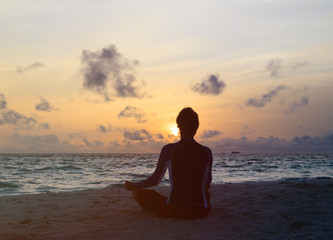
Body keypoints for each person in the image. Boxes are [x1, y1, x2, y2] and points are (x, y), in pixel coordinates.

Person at [124, 107, 213, 219]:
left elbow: (155, 180)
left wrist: (134, 186)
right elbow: (207, 183)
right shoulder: (206, 151)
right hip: (201, 211)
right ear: (197, 127)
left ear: (178, 126)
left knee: (138, 193)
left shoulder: (169, 150)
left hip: (175, 210)